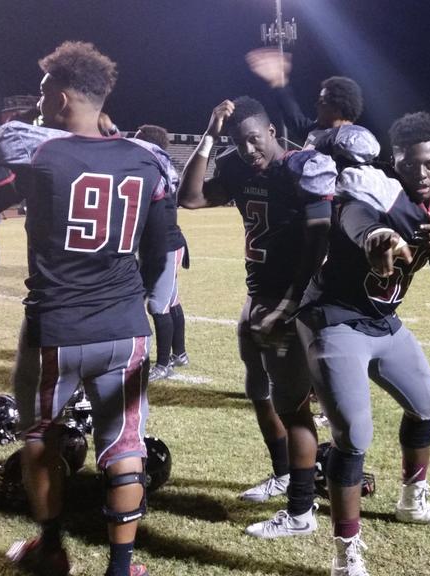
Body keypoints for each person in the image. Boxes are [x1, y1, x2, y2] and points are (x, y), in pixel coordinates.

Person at [0, 41, 168, 576]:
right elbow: (162, 246)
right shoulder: (146, 159)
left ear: (62, 96)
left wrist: (4, 142)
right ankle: (122, 566)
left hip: (56, 326)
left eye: (45, 91)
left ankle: (50, 548)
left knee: (41, 436)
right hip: (124, 323)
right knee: (124, 443)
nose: (38, 100)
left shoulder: (37, 153)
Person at [297, 113, 430, 576]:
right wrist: (379, 238)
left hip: (382, 319)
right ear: (394, 161)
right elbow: (359, 220)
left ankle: (412, 502)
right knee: (353, 435)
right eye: (409, 165)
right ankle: (344, 555)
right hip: (335, 317)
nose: (420, 174)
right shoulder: (374, 187)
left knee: (427, 402)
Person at [179, 97, 335, 536]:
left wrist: (288, 306)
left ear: (271, 131)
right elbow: (189, 197)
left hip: (294, 300)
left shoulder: (300, 168)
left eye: (254, 139)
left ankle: (301, 511)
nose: (249, 150)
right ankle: (284, 474)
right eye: (239, 141)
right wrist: (211, 134)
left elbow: (318, 246)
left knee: (294, 405)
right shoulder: (236, 169)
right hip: (257, 295)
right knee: (257, 390)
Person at [133, 124, 191, 381]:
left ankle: (164, 364)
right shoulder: (159, 167)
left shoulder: (151, 169)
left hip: (163, 246)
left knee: (158, 306)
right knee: (171, 302)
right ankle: (179, 354)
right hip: (164, 244)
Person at [246, 48, 363, 148]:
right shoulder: (320, 132)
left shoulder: (353, 143)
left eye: (322, 102)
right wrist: (278, 83)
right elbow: (295, 120)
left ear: (337, 109)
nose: (316, 105)